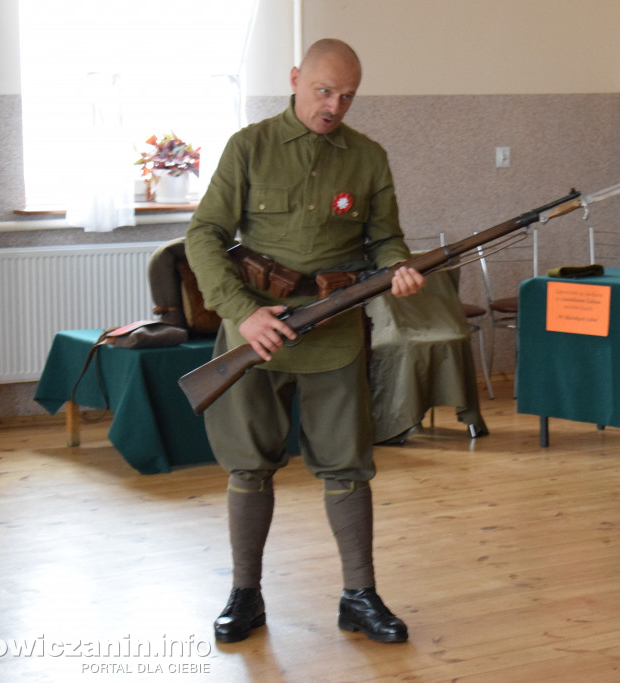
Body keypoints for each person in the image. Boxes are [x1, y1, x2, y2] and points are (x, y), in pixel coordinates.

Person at [185, 38, 425, 645]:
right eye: (323, 90)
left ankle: (359, 596)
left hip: (335, 334)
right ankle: (245, 595)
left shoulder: (367, 157)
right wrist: (242, 314)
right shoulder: (250, 147)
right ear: (295, 79)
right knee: (250, 466)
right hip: (256, 334)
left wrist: (398, 268)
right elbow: (204, 235)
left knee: (347, 468)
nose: (334, 105)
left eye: (346, 96)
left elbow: (385, 239)